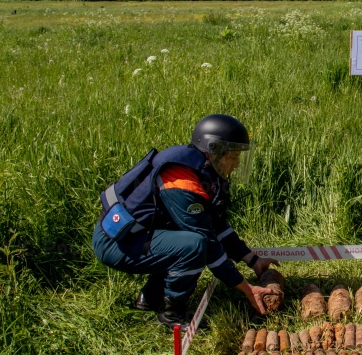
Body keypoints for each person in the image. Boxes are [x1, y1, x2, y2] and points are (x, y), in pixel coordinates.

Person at [92, 114, 279, 329]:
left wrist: (253, 260)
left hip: (137, 235)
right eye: (233, 156)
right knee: (193, 245)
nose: (237, 164)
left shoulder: (204, 170)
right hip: (117, 243)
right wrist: (247, 288)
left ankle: (150, 297)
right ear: (214, 151)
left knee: (187, 238)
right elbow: (208, 240)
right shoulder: (182, 181)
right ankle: (172, 314)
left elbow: (215, 223)